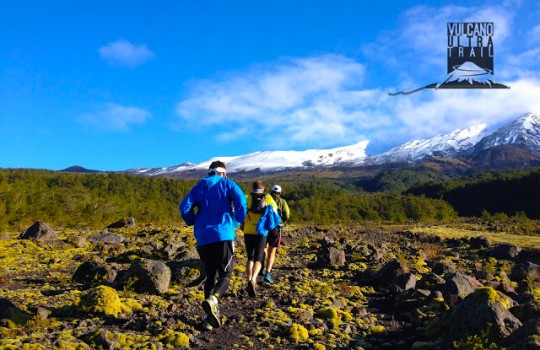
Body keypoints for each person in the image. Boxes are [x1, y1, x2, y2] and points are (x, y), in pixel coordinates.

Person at [179, 161, 247, 330]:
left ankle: (209, 319)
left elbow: (184, 207)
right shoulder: (228, 184)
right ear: (224, 173)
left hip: (203, 237)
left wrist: (193, 221)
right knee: (225, 274)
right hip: (223, 234)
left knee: (210, 275)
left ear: (209, 173)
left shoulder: (199, 187)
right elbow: (241, 202)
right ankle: (214, 299)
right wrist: (237, 221)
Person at [241, 180, 279, 297]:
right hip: (262, 232)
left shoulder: (247, 197)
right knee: (258, 258)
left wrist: (242, 225)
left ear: (253, 188)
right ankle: (253, 278)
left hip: (248, 231)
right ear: (263, 188)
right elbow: (274, 213)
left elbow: (240, 212)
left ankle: (248, 281)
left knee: (250, 258)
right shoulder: (268, 198)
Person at [262, 184, 291, 284]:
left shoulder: (266, 199)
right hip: (276, 228)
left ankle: (260, 265)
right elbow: (287, 214)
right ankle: (267, 273)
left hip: (265, 227)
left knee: (264, 248)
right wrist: (281, 220)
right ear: (280, 193)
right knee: (272, 251)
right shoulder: (282, 202)